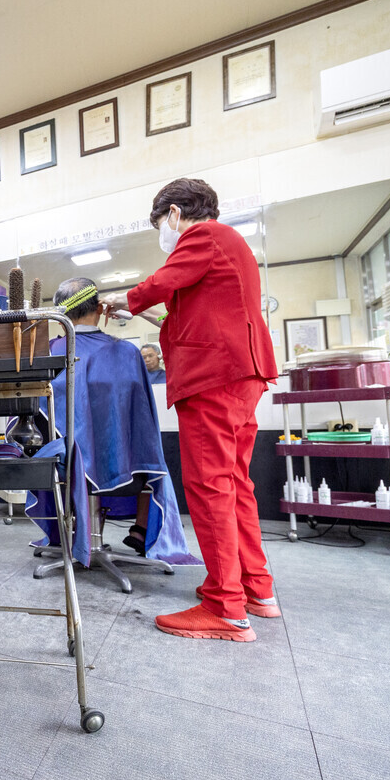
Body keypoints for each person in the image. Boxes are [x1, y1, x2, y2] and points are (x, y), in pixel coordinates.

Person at [101, 178, 279, 643]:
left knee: (210, 486)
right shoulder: (225, 250)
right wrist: (142, 312)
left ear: (175, 214)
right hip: (239, 376)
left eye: (162, 224)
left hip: (213, 377)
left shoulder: (204, 236)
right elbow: (183, 311)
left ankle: (225, 607)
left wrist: (127, 297)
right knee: (236, 484)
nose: (165, 233)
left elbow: (164, 282)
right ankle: (255, 590)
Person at [25, 277, 195, 567]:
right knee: (142, 453)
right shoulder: (128, 352)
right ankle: (136, 531)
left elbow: (29, 418)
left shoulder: (49, 353)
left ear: (61, 313)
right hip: (128, 465)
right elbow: (144, 425)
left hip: (69, 465)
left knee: (62, 450)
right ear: (100, 308)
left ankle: (78, 530)